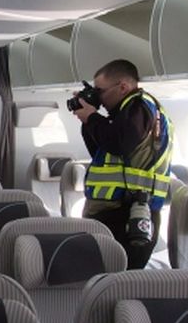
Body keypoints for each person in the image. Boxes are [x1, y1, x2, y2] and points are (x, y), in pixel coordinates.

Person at [70, 59, 173, 269]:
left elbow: (119, 144)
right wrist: (90, 119)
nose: (98, 96)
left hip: (129, 212)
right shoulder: (123, 115)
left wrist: (92, 118)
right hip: (116, 210)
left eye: (100, 91)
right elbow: (102, 151)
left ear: (123, 87)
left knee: (118, 281)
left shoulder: (139, 107)